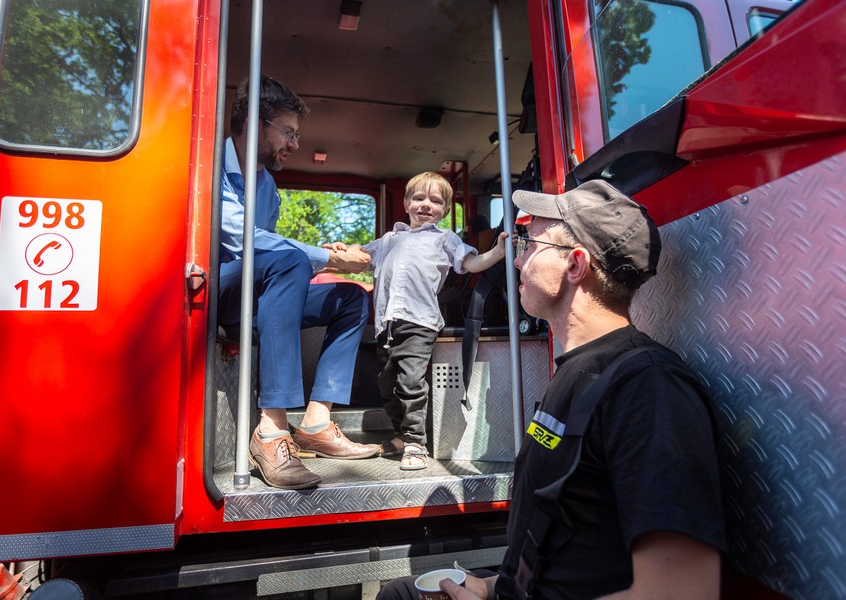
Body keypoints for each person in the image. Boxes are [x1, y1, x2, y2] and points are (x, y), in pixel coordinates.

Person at [377, 180, 726, 599]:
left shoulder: (646, 388)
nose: (519, 260)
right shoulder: (578, 372)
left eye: (530, 244)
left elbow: (681, 593)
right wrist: (489, 587)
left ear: (575, 265)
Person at [218, 76, 380, 491]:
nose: (293, 144)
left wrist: (325, 256)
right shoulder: (209, 162)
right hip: (217, 291)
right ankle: (271, 430)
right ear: (255, 123)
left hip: (258, 291)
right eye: (287, 133)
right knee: (292, 258)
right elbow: (239, 240)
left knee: (349, 297)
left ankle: (315, 423)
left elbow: (272, 253)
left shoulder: (267, 185)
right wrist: (327, 257)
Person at [329, 172, 509, 470]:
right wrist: (339, 249)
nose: (426, 205)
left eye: (436, 201)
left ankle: (415, 443)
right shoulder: (388, 240)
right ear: (406, 203)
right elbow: (358, 258)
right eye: (419, 198)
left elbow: (471, 263)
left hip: (420, 322)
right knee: (387, 384)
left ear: (446, 210)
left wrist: (498, 252)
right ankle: (401, 434)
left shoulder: (444, 239)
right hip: (387, 324)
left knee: (411, 382)